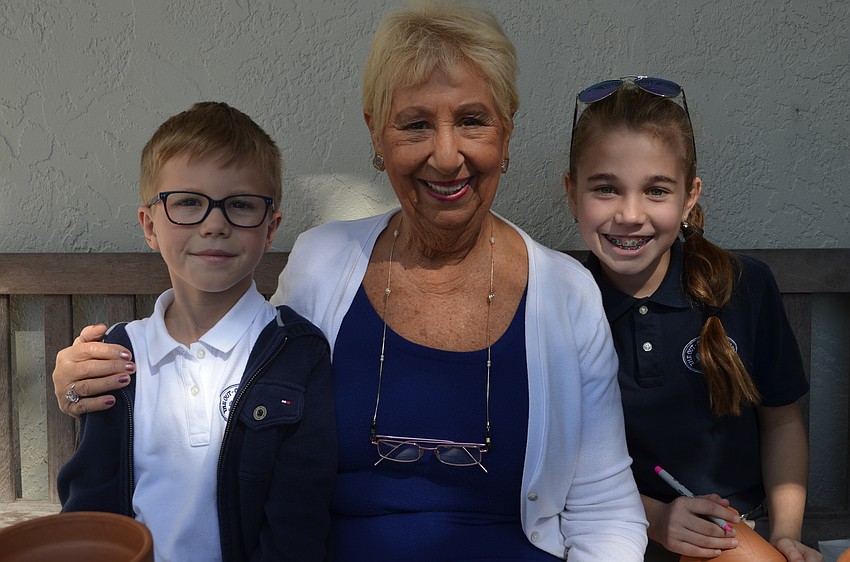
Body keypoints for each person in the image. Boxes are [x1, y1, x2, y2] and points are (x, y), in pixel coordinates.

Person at [52, 3, 648, 560]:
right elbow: (227, 384)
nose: (446, 156)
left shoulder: (566, 294)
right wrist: (83, 380)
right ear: (377, 134)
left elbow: (603, 510)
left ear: (507, 131)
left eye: (472, 121)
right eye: (415, 125)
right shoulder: (323, 264)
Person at [56, 102, 337, 562]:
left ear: (270, 229)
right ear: (150, 226)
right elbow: (90, 506)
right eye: (188, 202)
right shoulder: (117, 355)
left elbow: (298, 522)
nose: (215, 224)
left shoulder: (296, 353)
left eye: (240, 205)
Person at [564, 77, 822, 562]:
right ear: (572, 192)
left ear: (688, 198)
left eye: (656, 190)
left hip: (732, 532)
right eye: (606, 188)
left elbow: (781, 422)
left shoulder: (743, 286)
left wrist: (786, 534)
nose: (630, 214)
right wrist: (657, 519)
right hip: (609, 534)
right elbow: (553, 463)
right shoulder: (559, 302)